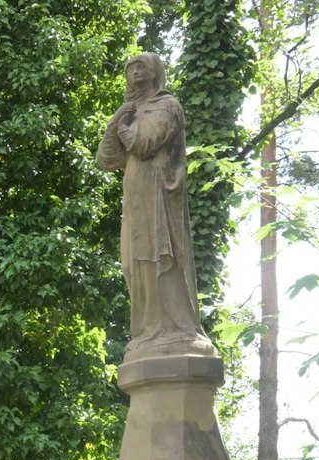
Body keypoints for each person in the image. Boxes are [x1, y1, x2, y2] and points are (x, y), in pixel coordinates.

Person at [96, 51, 216, 361]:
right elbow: (107, 160)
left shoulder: (167, 106)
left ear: (155, 71)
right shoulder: (130, 112)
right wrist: (116, 123)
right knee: (131, 265)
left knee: (161, 261)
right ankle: (148, 331)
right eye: (130, 68)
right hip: (136, 204)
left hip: (159, 200)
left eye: (142, 67)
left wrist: (123, 127)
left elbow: (144, 144)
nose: (135, 73)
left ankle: (173, 331)